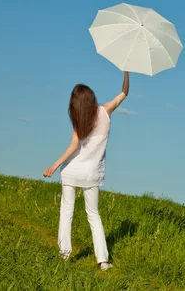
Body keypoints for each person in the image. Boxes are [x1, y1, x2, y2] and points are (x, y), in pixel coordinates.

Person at [43, 71, 129, 271]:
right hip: (92, 174)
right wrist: (126, 71)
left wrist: (54, 166)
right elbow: (124, 92)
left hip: (72, 172)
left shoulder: (80, 120)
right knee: (93, 214)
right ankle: (104, 261)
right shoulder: (105, 111)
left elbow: (74, 146)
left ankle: (64, 254)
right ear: (92, 97)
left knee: (67, 212)